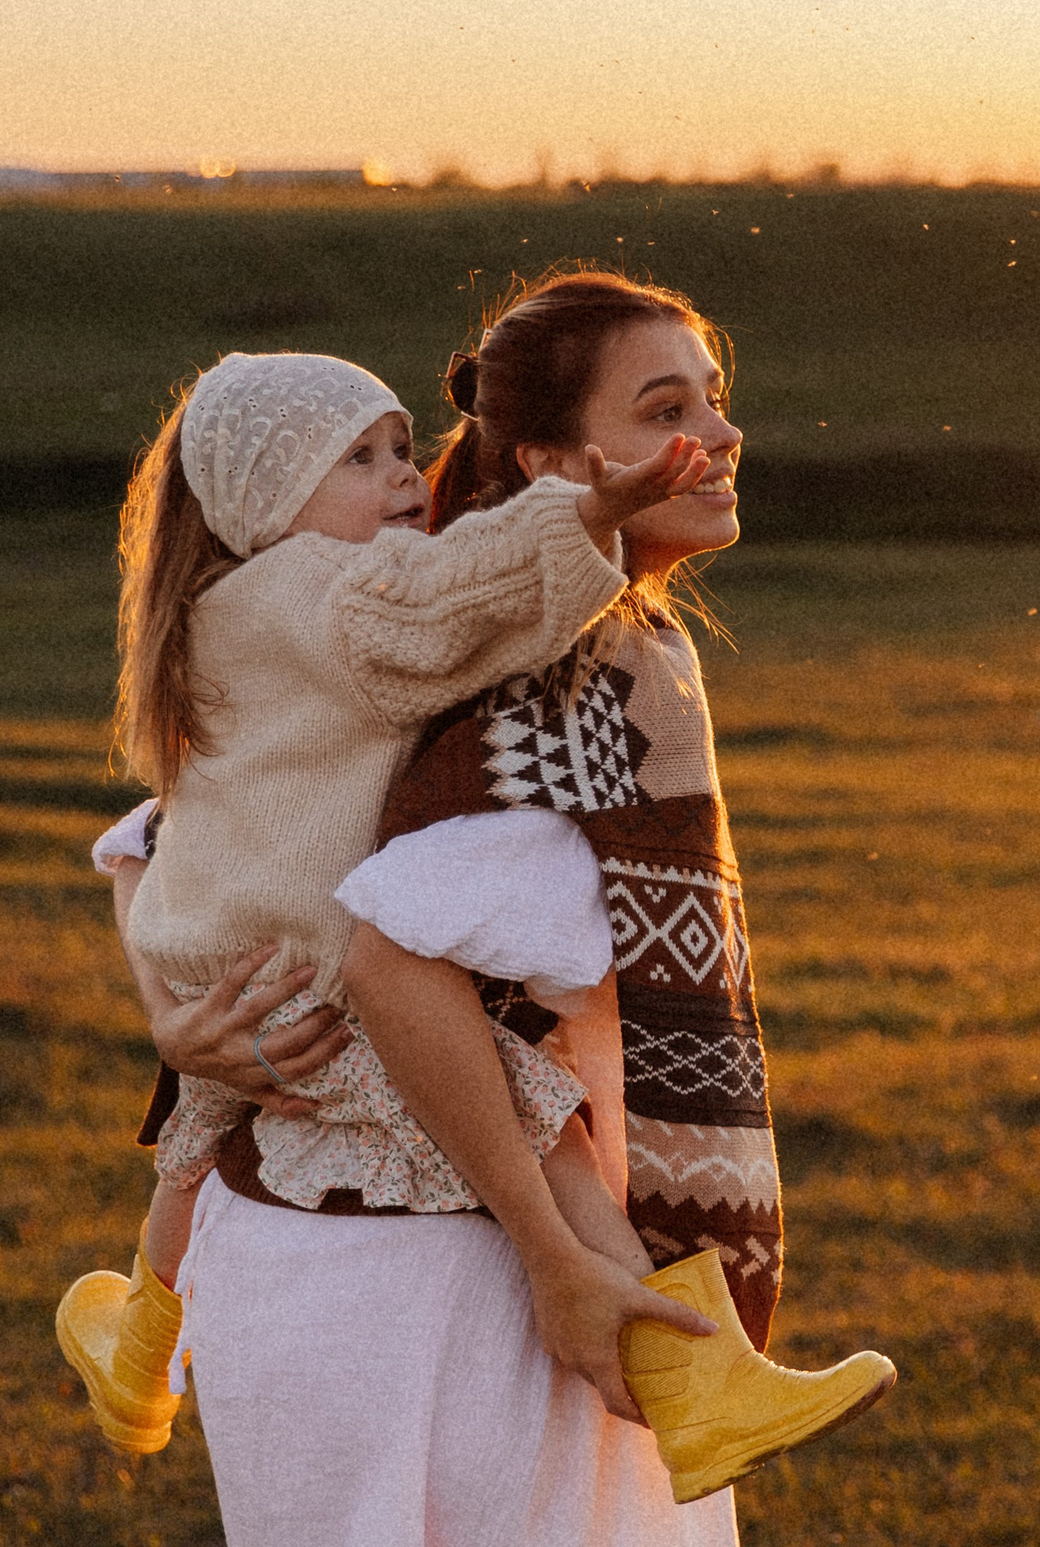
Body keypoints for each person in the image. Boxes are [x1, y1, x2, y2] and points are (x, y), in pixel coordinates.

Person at [130, 272, 891, 1545]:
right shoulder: (530, 680)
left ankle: (141, 1315)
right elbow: (384, 963)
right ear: (547, 463)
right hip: (432, 1275)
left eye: (717, 398)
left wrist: (175, 1014)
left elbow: (170, 838)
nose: (717, 433)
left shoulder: (572, 654)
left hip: (394, 1257)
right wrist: (549, 1255)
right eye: (666, 409)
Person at [60, 349, 713, 1456]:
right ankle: (699, 1381)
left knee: (188, 1153)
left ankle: (138, 1352)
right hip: (310, 974)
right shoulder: (320, 591)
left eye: (403, 447)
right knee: (541, 1126)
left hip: (227, 964)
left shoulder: (225, 611)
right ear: (269, 503)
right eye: (359, 459)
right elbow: (450, 594)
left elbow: (151, 835)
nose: (407, 479)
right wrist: (583, 513)